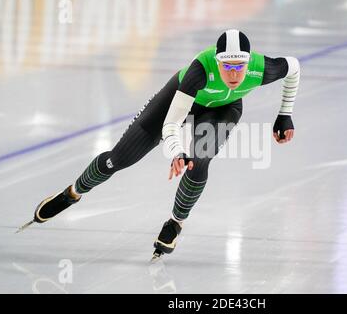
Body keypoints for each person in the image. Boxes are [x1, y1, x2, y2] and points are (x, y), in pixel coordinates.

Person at [18, 29, 301, 261]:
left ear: (248, 62)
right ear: (217, 61)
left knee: (200, 160)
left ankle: (175, 223)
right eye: (227, 65)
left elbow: (294, 68)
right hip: (177, 101)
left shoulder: (262, 68)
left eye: (239, 66)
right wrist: (177, 150)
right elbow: (172, 123)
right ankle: (72, 193)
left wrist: (285, 114)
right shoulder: (199, 71)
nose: (234, 73)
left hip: (222, 110)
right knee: (119, 159)